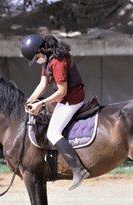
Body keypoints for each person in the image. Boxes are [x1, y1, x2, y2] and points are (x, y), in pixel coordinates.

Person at [21, 34, 89, 190]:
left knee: (53, 133)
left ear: (42, 49)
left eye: (37, 56)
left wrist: (40, 103)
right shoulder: (47, 59)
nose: (37, 60)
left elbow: (62, 91)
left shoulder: (58, 61)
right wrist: (30, 100)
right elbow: (43, 84)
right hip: (63, 100)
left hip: (72, 100)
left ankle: (78, 170)